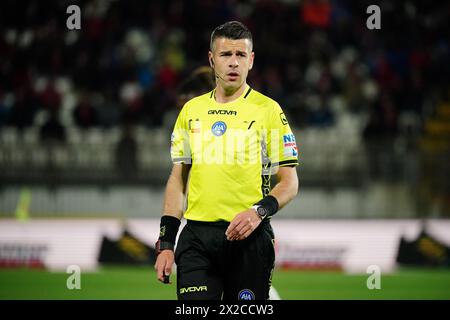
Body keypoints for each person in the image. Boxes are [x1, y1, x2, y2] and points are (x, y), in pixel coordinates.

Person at [154, 21, 299, 300]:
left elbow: (290, 181)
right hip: (197, 238)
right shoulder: (191, 111)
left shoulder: (269, 111)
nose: (233, 63)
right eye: (225, 55)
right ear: (211, 59)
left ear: (251, 60)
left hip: (249, 238)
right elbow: (177, 180)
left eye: (240, 55)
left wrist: (258, 211)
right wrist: (166, 242)